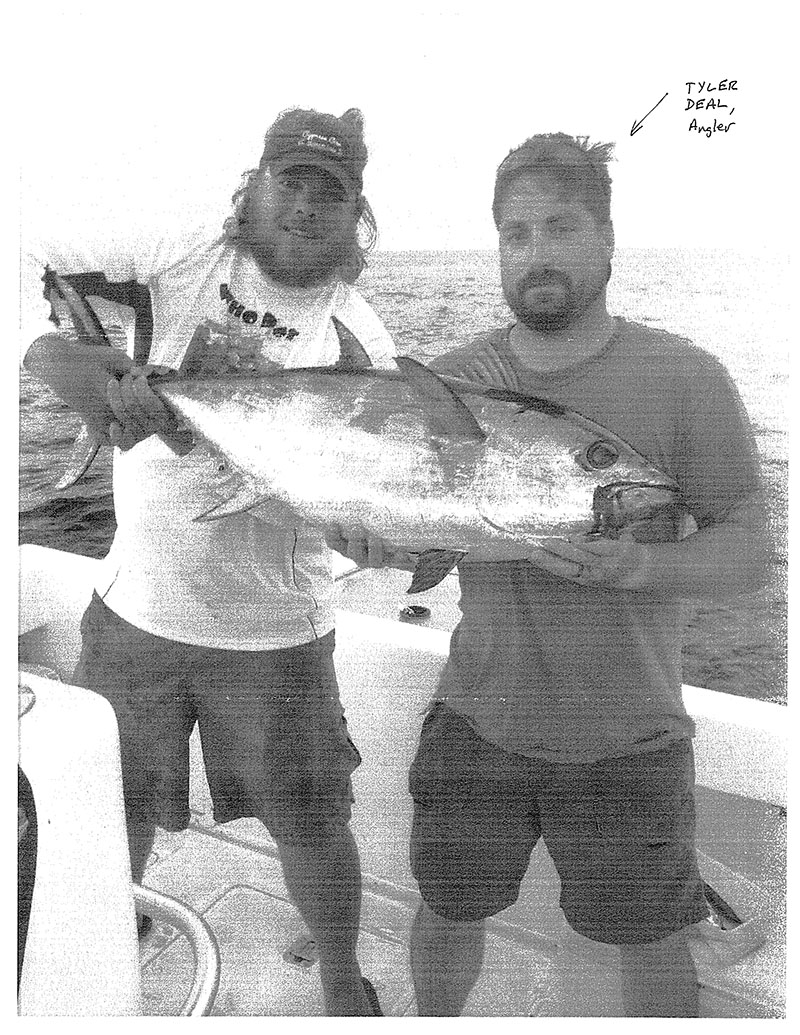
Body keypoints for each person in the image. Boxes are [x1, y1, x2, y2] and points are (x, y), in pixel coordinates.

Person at [328, 133, 767, 1017]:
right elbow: (420, 538)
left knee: (648, 942)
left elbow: (749, 549)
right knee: (447, 912)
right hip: (478, 716)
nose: (536, 254)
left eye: (560, 229)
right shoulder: (448, 383)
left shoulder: (685, 379)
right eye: (515, 234)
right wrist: (368, 541)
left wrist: (641, 563)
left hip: (629, 737)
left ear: (608, 241)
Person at [22, 107, 395, 1016]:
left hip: (276, 634)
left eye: (330, 193)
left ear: (356, 218)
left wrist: (377, 531)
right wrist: (64, 363)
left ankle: (343, 977)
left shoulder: (362, 341)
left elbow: (358, 506)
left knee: (311, 827)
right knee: (114, 808)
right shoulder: (180, 255)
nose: (306, 207)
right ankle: (109, 925)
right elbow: (21, 251)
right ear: (255, 187)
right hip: (135, 609)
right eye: (291, 183)